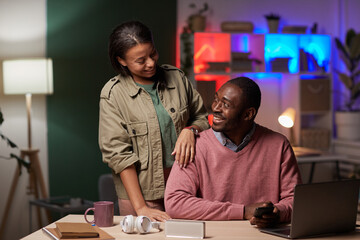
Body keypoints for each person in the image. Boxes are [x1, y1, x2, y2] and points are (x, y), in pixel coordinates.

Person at [98, 21, 209, 222]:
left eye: (153, 54)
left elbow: (202, 117)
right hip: (142, 196)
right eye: (141, 60)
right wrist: (140, 207)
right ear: (122, 60)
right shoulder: (113, 94)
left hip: (187, 189)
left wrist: (190, 130)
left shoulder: (177, 78)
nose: (150, 63)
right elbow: (118, 155)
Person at [165, 76, 302, 228]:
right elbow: (175, 202)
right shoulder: (194, 146)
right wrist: (242, 211)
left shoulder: (279, 145)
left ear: (248, 114)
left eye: (226, 104)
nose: (215, 108)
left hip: (264, 236)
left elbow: (296, 200)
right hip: (215, 236)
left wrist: (278, 213)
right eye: (216, 99)